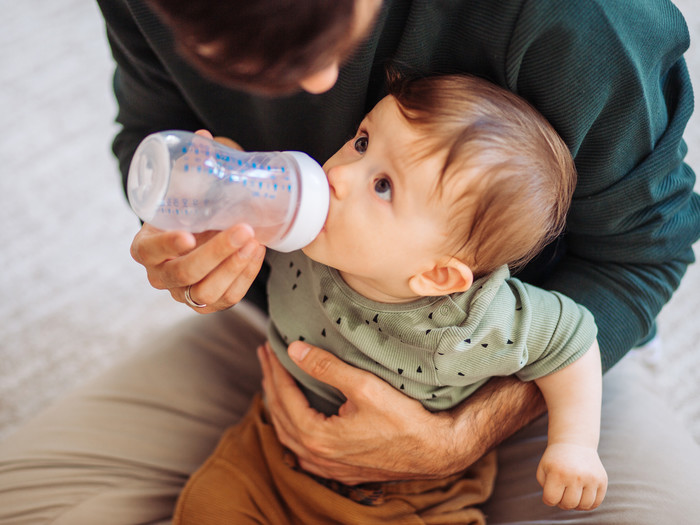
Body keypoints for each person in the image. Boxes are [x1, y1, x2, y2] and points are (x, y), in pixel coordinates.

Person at [0, 0, 698, 523]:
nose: (322, 86)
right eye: (240, 56)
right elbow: (151, 133)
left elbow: (626, 275)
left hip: (496, 382)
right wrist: (187, 222)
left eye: (329, 35)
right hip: (281, 372)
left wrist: (485, 434)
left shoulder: (582, 22)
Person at [173, 73, 607, 524]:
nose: (338, 175)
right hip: (271, 449)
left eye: (382, 186)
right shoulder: (298, 229)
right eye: (362, 143)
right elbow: (239, 174)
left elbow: (570, 339)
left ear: (437, 274)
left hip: (407, 495)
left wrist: (574, 444)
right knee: (208, 507)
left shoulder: (472, 321)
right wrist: (218, 168)